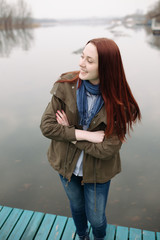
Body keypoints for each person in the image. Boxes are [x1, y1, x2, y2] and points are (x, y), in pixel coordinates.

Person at [40, 38, 141, 240]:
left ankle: (99, 237)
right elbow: (47, 127)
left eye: (89, 60)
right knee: (77, 207)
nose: (81, 64)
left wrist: (70, 134)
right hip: (66, 165)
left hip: (98, 171)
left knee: (96, 218)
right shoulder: (66, 85)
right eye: (81, 56)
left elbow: (107, 149)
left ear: (106, 67)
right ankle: (82, 235)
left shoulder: (120, 104)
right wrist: (88, 135)